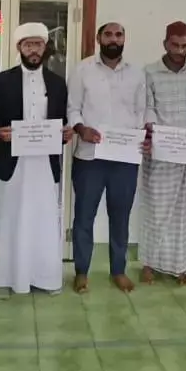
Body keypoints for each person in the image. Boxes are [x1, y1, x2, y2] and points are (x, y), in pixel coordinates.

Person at [0, 22, 72, 297]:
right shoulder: (1, 81)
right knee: (11, 219)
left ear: (45, 47)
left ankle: (45, 278)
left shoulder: (57, 83)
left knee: (44, 219)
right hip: (12, 162)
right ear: (19, 48)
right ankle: (8, 280)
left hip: (44, 163)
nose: (34, 50)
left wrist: (65, 133)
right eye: (28, 45)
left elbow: (62, 120)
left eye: (38, 44)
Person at [69, 22, 148, 293]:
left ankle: (118, 270)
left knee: (120, 216)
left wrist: (141, 134)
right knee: (84, 216)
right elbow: (73, 108)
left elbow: (141, 111)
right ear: (98, 38)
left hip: (125, 158)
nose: (114, 39)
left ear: (124, 39)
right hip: (90, 157)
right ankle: (81, 271)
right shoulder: (82, 70)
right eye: (108, 34)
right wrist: (82, 129)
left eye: (119, 35)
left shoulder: (136, 73)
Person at [140, 21, 186, 284]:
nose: (179, 51)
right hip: (160, 151)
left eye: (185, 46)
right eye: (174, 45)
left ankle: (181, 266)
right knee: (155, 210)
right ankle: (149, 264)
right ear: (165, 43)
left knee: (184, 213)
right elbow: (147, 106)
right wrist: (152, 129)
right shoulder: (149, 72)